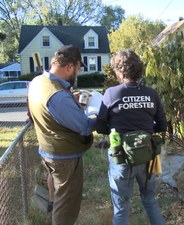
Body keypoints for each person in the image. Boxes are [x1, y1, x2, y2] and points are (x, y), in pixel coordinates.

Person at [95, 49, 167, 225]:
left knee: (121, 208)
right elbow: (162, 126)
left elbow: (99, 126)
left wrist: (115, 127)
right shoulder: (152, 93)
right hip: (147, 156)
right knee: (150, 201)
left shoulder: (112, 93)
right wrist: (146, 129)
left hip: (121, 158)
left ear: (120, 72)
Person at [28, 45, 96, 224]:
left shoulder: (38, 81)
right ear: (70, 67)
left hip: (48, 150)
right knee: (66, 206)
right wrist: (101, 116)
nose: (78, 73)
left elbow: (47, 109)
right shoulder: (58, 96)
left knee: (60, 198)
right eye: (78, 68)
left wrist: (71, 101)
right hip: (65, 158)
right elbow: (84, 126)